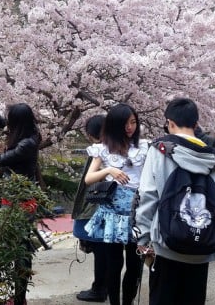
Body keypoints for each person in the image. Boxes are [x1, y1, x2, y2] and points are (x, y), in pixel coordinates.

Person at [135, 98, 215, 305]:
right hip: (201, 244)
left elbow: (148, 195)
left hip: (165, 242)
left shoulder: (160, 150)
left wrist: (144, 237)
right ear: (196, 124)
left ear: (169, 122)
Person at [0, 102, 41, 305]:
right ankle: (18, 296)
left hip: (21, 201)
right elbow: (7, 126)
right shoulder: (27, 134)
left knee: (20, 248)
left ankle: (20, 298)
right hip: (14, 197)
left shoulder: (27, 144)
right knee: (16, 245)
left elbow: (0, 159)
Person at [83, 104, 148, 305]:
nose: (130, 127)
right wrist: (109, 170)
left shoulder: (145, 147)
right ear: (114, 125)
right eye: (125, 123)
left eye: (133, 122)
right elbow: (89, 178)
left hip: (137, 210)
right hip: (111, 211)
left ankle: (127, 302)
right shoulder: (102, 149)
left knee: (135, 263)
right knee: (114, 263)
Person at [71, 114, 108, 302]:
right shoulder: (119, 147)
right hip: (112, 206)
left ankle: (100, 288)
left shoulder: (100, 150)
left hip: (99, 206)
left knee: (101, 249)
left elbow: (90, 182)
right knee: (107, 250)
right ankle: (105, 286)